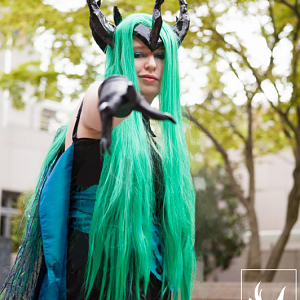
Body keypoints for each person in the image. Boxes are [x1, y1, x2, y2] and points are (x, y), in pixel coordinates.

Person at [0, 0, 196, 299]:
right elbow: (102, 96)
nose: (151, 64)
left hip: (149, 283)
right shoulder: (94, 112)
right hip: (92, 281)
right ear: (118, 59)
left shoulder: (154, 143)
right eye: (138, 54)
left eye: (160, 55)